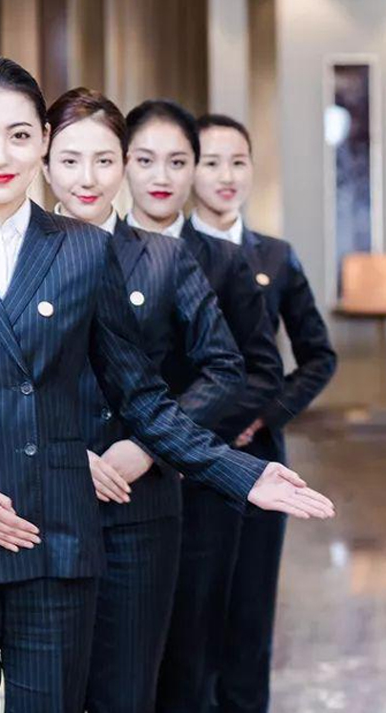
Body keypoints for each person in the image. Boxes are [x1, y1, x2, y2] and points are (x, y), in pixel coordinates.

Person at [0, 57, 333, 713]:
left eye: (18, 135)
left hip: (57, 545)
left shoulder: (83, 251)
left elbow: (142, 398)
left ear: (41, 141)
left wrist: (239, 472)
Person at [43, 86, 243, 713]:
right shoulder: (15, 254)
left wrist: (149, 446)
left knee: (127, 691)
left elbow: (224, 366)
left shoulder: (163, 257)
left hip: (139, 508)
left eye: (104, 160)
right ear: (44, 161)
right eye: (70, 160)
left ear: (124, 164)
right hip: (40, 499)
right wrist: (62, 452)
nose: (87, 178)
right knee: (46, 689)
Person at [118, 100, 286, 713]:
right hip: (111, 479)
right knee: (119, 655)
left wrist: (177, 440)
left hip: (200, 483)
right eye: (145, 160)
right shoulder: (94, 251)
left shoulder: (224, 261)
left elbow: (261, 369)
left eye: (178, 161)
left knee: (194, 649)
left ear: (193, 168)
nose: (161, 177)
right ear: (122, 164)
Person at [184, 113, 338, 712]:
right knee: (190, 621)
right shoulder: (168, 251)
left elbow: (318, 355)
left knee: (250, 616)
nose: (226, 176)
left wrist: (267, 415)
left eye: (238, 162)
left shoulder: (275, 254)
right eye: (211, 162)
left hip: (258, 459)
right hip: (183, 462)